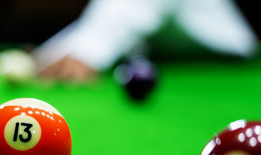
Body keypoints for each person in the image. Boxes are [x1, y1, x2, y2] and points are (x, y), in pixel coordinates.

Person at [33, 0, 258, 81]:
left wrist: (88, 54)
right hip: (166, 57)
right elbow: (105, 12)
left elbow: (139, 6)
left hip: (226, 60)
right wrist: (55, 50)